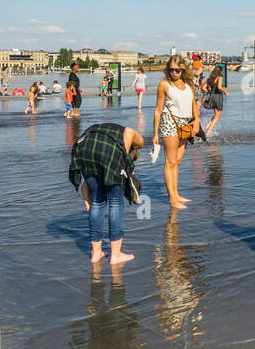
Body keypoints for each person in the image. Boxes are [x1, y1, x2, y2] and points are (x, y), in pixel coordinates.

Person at [69, 121, 143, 265]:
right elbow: (129, 131)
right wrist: (126, 162)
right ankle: (116, 255)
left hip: (84, 148)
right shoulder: (138, 142)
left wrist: (91, 209)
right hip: (106, 150)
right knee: (116, 202)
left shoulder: (110, 131)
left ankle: (96, 253)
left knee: (97, 201)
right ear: (134, 150)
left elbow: (85, 188)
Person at [152, 55, 198, 209]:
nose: (174, 73)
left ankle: (176, 194)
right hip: (169, 123)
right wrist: (155, 134)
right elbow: (158, 110)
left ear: (183, 69)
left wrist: (196, 121)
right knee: (170, 162)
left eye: (177, 70)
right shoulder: (164, 85)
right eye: (171, 70)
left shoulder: (188, 84)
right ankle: (172, 199)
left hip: (185, 125)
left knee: (177, 162)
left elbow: (193, 104)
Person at [200, 64, 229, 140]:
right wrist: (226, 92)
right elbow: (219, 87)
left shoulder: (210, 78)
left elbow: (203, 88)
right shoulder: (220, 77)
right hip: (218, 97)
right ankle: (208, 132)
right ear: (220, 71)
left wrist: (209, 92)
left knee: (217, 114)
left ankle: (207, 126)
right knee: (217, 116)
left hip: (212, 97)